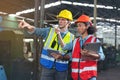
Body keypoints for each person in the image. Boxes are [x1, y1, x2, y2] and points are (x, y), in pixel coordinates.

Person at [18, 9, 74, 80]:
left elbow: (71, 55)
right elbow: (36, 31)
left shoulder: (72, 37)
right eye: (59, 19)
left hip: (61, 69)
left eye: (63, 19)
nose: (60, 21)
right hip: (47, 67)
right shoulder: (50, 31)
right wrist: (27, 26)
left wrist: (61, 57)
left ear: (69, 22)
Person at [56, 14, 105, 80]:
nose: (78, 28)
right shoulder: (75, 41)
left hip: (89, 77)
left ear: (87, 26)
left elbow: (102, 56)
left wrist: (89, 54)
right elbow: (64, 47)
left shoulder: (94, 40)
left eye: (80, 25)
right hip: (76, 76)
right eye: (77, 26)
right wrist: (58, 34)